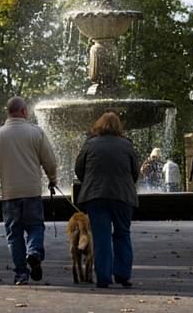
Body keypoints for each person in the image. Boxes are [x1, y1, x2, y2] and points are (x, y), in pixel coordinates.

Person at [0, 96, 58, 285]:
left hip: (10, 194)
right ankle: (34, 252)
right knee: (36, 227)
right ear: (23, 111)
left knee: (14, 235)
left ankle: (21, 274)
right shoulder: (36, 132)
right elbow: (50, 160)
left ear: (8, 112)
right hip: (31, 192)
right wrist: (52, 178)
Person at [74, 111, 139, 289]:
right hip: (122, 197)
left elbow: (79, 170)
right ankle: (123, 275)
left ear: (99, 125)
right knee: (122, 234)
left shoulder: (90, 145)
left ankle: (103, 277)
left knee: (101, 237)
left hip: (96, 196)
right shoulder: (127, 145)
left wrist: (90, 181)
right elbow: (135, 171)